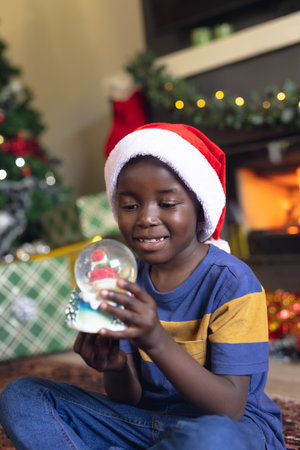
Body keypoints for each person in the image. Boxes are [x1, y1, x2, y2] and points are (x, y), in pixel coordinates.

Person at [0, 123, 285, 449]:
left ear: (199, 206)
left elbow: (229, 408)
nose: (146, 218)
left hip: (230, 429)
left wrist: (156, 340)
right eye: (130, 205)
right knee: (23, 396)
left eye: (167, 203)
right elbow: (129, 399)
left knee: (211, 439)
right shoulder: (122, 276)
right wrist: (116, 367)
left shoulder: (232, 283)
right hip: (146, 423)